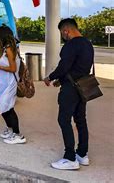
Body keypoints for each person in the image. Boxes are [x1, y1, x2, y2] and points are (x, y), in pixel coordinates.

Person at [43, 18, 94, 170]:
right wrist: (61, 80)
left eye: (62, 33)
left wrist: (50, 77)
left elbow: (64, 66)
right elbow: (78, 67)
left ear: (66, 30)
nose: (63, 36)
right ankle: (82, 155)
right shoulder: (88, 44)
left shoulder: (71, 45)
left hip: (71, 90)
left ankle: (70, 158)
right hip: (83, 86)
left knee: (64, 120)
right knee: (80, 120)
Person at [0, 25, 26, 144]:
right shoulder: (5, 48)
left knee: (8, 108)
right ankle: (10, 129)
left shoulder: (9, 49)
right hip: (2, 82)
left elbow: (13, 68)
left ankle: (18, 134)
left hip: (9, 83)